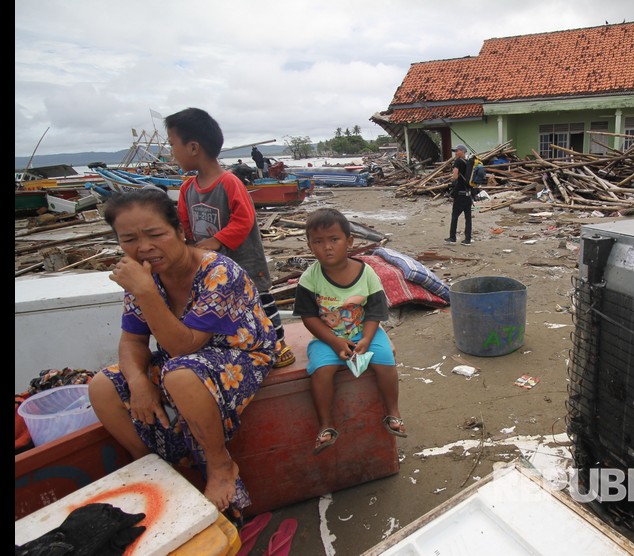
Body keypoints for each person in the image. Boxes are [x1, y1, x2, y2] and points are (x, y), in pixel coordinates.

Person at [87, 188, 277, 527]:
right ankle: (154, 466)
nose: (143, 247)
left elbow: (184, 347)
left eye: (155, 234)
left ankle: (220, 464)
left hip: (241, 353)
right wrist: (137, 382)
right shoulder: (143, 277)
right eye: (128, 239)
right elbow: (132, 341)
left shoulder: (219, 271)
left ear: (179, 231)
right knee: (103, 385)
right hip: (184, 359)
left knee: (180, 373)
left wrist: (146, 292)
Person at [165, 108, 295, 368]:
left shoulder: (229, 182)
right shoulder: (187, 188)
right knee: (223, 305)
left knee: (261, 300)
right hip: (210, 266)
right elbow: (185, 226)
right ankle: (244, 345)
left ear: (193, 148)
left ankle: (278, 343)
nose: (171, 153)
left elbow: (244, 219)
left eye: (172, 145)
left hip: (244, 260)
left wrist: (216, 241)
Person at [293, 208, 407, 455]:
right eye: (318, 242)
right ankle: (326, 425)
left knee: (386, 361)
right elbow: (309, 317)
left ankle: (393, 412)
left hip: (364, 331)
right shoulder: (309, 279)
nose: (327, 247)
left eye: (334, 239)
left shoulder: (366, 274)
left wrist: (367, 338)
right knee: (322, 372)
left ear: (349, 241)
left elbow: (375, 312)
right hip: (328, 337)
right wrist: (334, 342)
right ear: (310, 246)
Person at [445, 144, 474, 245]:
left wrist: (453, 182)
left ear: (462, 151)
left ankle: (452, 238)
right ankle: (468, 239)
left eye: (457, 151)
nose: (455, 153)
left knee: (454, 216)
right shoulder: (468, 162)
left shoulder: (458, 161)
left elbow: (455, 176)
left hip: (460, 194)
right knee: (468, 218)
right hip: (468, 194)